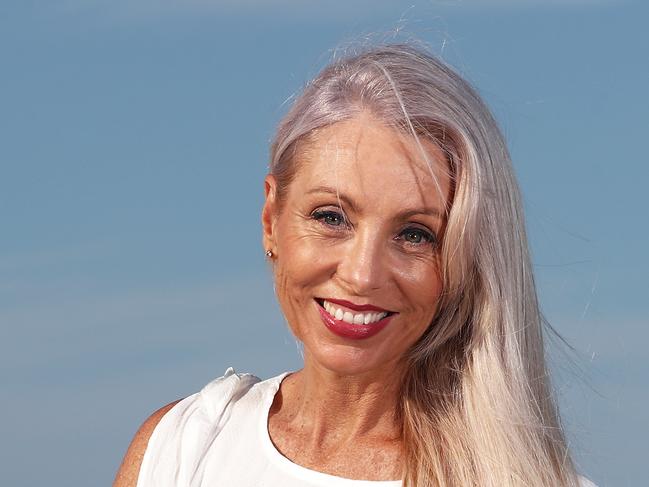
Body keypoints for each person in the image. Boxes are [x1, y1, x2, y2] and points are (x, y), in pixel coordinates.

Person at [114, 43, 595, 487]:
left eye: (414, 234)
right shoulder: (179, 448)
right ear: (270, 219)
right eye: (331, 217)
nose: (362, 275)